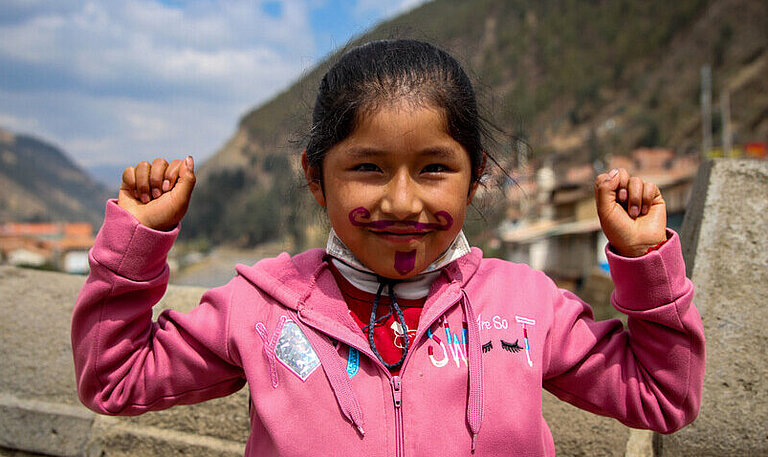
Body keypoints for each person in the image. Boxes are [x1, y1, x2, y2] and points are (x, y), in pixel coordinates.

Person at [72, 39, 705, 456]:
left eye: (434, 169)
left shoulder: (527, 309)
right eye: (369, 168)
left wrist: (647, 267)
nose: (402, 202)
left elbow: (663, 396)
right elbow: (115, 380)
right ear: (316, 178)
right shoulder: (263, 310)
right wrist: (137, 246)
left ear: (475, 174)